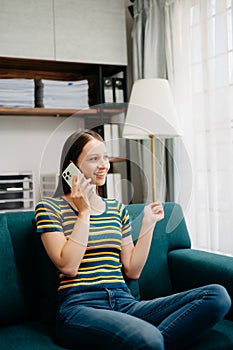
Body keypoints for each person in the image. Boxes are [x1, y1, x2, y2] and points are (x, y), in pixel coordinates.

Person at [35, 130, 231, 350]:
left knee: (216, 296)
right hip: (80, 306)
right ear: (73, 166)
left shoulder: (117, 209)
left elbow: (132, 271)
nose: (104, 165)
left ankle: (149, 345)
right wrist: (84, 213)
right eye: (93, 159)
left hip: (124, 302)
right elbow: (69, 266)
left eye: (105, 157)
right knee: (148, 338)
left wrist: (147, 225)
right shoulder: (49, 209)